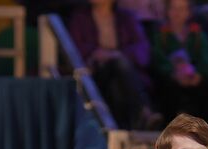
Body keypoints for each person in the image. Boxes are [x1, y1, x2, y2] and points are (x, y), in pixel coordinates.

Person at [68, 0, 160, 131]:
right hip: (96, 72)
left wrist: (117, 54)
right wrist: (95, 53)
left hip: (123, 75)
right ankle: (143, 111)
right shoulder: (80, 18)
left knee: (117, 80)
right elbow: (75, 48)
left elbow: (143, 50)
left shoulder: (127, 18)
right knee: (118, 66)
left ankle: (125, 132)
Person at [151, 0, 208, 125]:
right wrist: (174, 73)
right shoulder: (161, 36)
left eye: (182, 9)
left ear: (189, 12)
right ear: (167, 11)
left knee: (207, 88)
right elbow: (158, 60)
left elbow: (207, 60)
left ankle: (205, 132)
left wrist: (198, 74)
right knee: (166, 89)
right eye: (174, 9)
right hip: (171, 80)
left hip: (194, 79)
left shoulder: (198, 35)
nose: (177, 13)